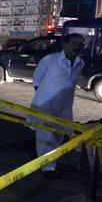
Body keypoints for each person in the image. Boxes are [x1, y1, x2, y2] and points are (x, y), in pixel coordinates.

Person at [30, 33, 85, 175]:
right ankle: (47, 168)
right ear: (64, 45)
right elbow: (37, 80)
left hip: (65, 106)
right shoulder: (50, 60)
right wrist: (45, 97)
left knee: (60, 135)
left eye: (80, 44)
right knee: (45, 137)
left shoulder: (80, 63)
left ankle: (53, 160)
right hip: (45, 105)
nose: (77, 47)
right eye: (73, 44)